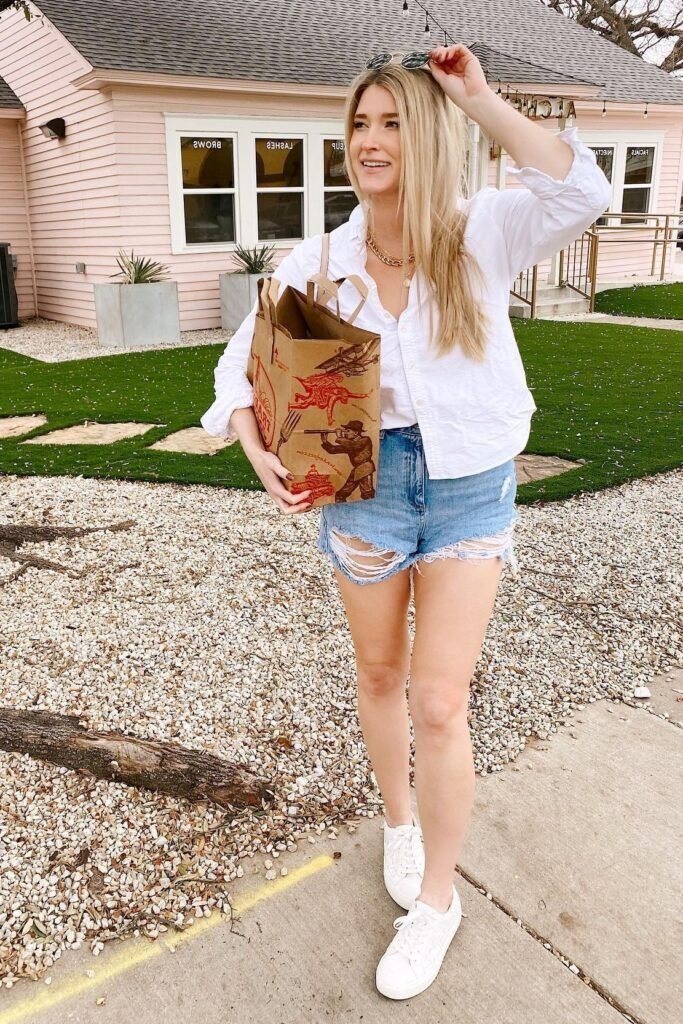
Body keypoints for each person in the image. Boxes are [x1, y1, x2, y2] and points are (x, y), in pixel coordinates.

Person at [201, 43, 612, 1001]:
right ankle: (399, 821)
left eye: (390, 122)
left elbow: (580, 193)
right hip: (364, 493)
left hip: (469, 490)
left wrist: (474, 98)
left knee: (439, 700)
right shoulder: (322, 259)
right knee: (380, 675)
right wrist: (255, 445)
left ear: (423, 133)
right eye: (358, 124)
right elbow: (236, 368)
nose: (369, 140)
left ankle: (436, 900)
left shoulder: (482, 232)